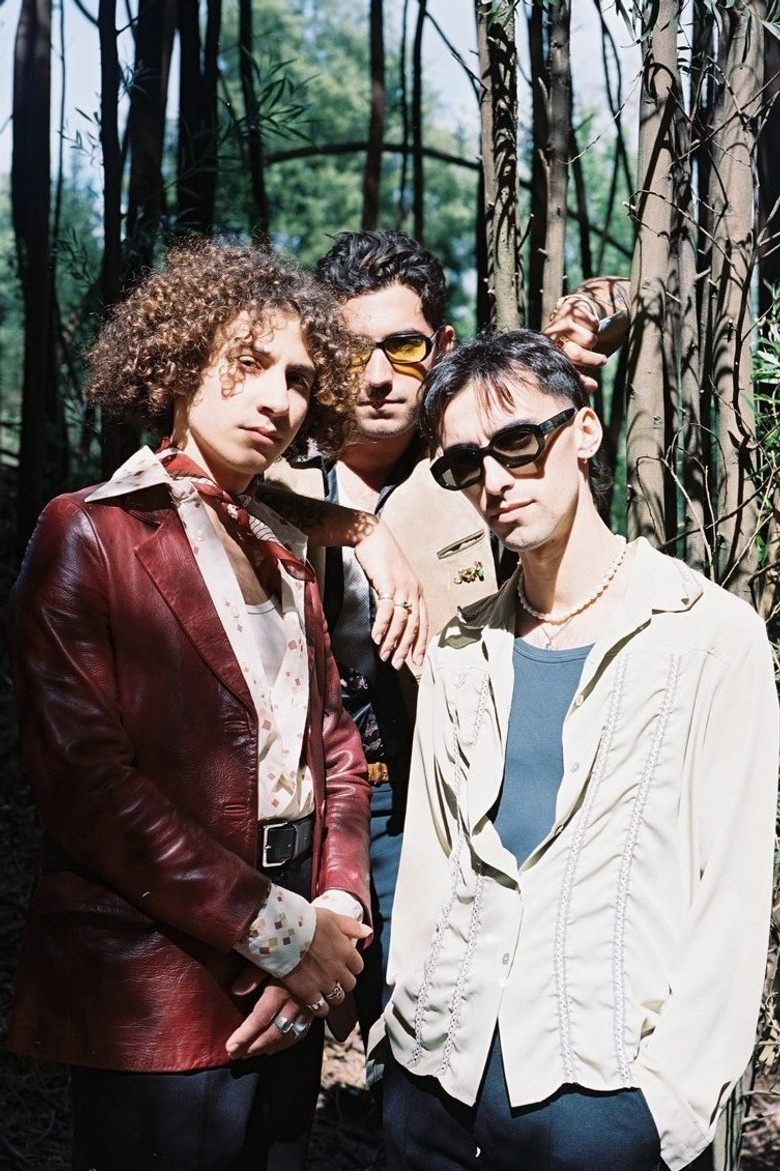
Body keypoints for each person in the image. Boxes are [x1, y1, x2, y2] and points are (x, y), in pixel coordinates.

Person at [8, 238, 393, 1171]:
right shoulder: (88, 532)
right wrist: (285, 932)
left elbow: (336, 746)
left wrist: (336, 907)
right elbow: (88, 788)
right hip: (158, 984)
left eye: (299, 379)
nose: (278, 398)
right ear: (181, 363)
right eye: (249, 361)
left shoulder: (284, 551)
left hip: (292, 978)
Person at [369, 328, 779, 1171]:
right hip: (433, 1086)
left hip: (603, 1103)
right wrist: (398, 1036)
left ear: (584, 430)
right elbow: (431, 868)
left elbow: (731, 894)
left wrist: (664, 1105)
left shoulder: (708, 637)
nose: (494, 479)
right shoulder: (458, 651)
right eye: (464, 463)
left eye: (518, 442)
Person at [264, 229, 631, 1049]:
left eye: (404, 347)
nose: (378, 377)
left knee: (422, 1017)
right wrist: (356, 527)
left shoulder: (475, 458)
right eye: (351, 350)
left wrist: (567, 338)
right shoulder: (275, 451)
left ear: (441, 345)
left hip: (433, 781)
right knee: (279, 1022)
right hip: (295, 788)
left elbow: (619, 298)